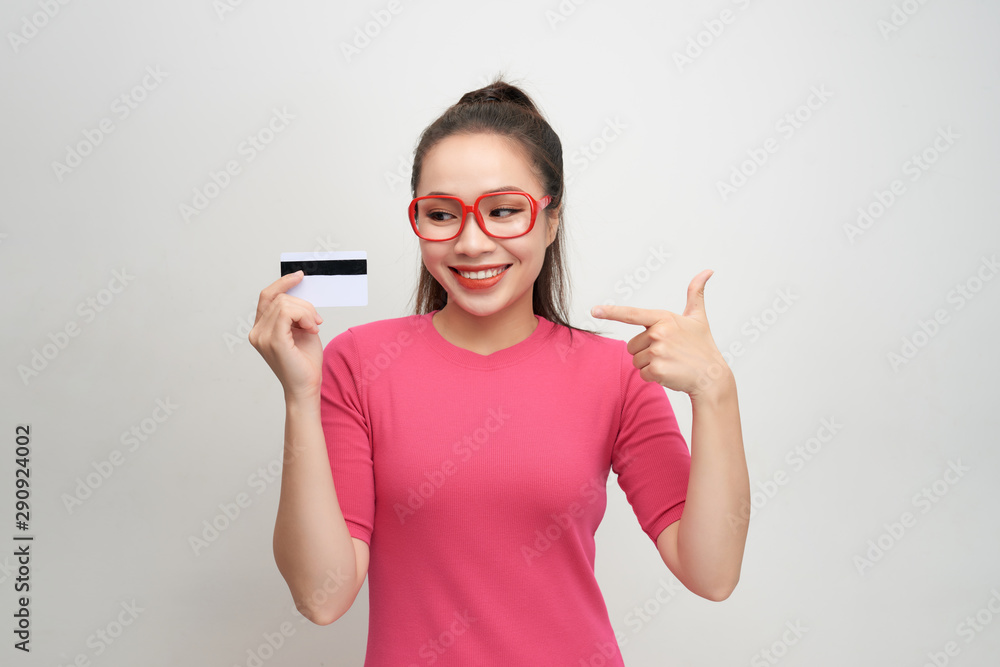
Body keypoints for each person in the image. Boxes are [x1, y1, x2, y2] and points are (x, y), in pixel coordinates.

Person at [249, 78, 750, 666]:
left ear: (552, 219)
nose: (470, 241)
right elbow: (321, 596)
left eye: (504, 211)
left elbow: (711, 573)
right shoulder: (359, 362)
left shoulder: (615, 372)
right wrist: (299, 398)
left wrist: (716, 391)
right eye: (441, 214)